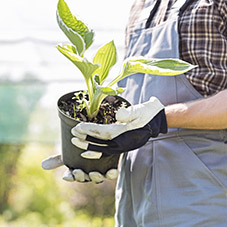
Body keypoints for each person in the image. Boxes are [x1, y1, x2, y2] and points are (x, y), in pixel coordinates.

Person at [42, 0, 227, 225]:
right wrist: (98, 152)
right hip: (131, 204)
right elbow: (134, 115)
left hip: (201, 196)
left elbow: (150, 120)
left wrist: (161, 120)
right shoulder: (141, 7)